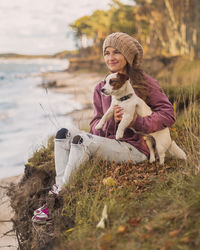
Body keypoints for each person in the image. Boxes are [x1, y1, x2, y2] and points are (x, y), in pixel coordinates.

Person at [32, 32, 175, 223]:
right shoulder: (102, 86)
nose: (110, 57)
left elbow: (168, 114)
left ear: (128, 56)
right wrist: (110, 121)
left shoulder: (144, 82)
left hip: (138, 148)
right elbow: (95, 125)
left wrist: (135, 122)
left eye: (117, 52)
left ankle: (53, 202)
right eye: (107, 53)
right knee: (63, 133)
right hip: (111, 143)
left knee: (81, 141)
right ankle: (59, 188)